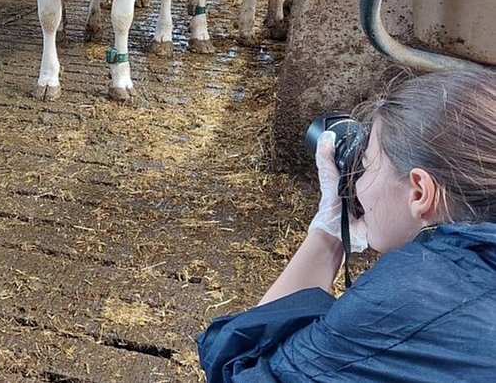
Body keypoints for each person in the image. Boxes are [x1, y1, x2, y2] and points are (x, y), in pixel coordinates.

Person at [198, 68, 496, 382]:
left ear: (420, 192)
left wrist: (326, 236)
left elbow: (239, 367)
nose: (357, 183)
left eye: (365, 166)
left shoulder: (408, 297)